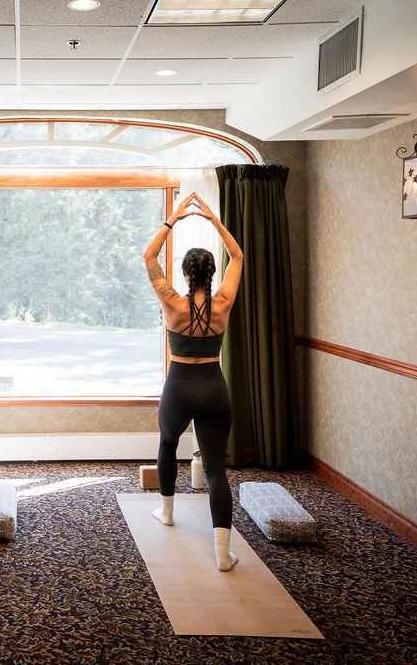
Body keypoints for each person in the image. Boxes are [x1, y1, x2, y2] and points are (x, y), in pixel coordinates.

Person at [143, 191, 244, 572]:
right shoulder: (223, 302)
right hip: (214, 389)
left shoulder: (172, 301)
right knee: (216, 469)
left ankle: (167, 513)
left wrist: (173, 220)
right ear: (210, 274)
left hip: (179, 388)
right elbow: (239, 256)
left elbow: (149, 258)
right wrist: (214, 221)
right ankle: (222, 554)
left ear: (185, 274)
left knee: (167, 444)